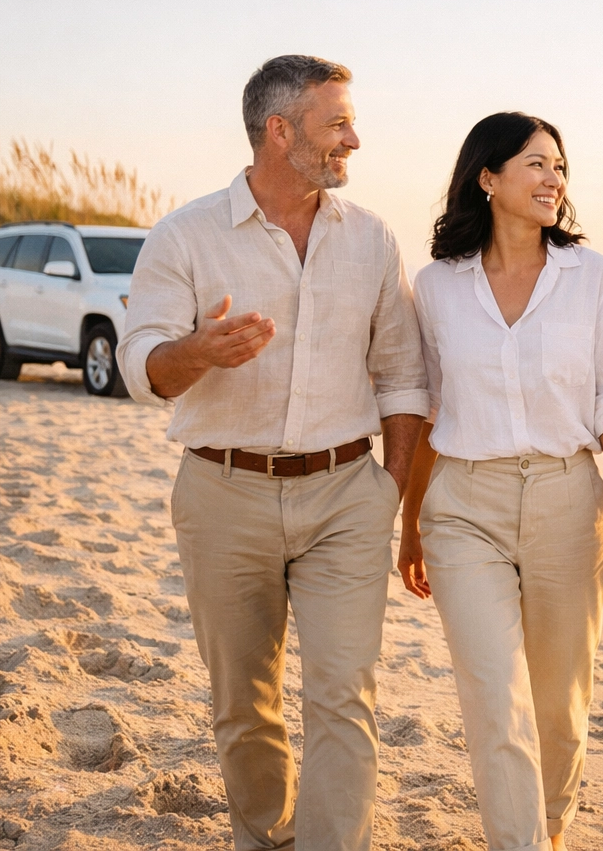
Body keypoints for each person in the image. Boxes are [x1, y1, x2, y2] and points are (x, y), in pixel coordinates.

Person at [119, 55, 428, 851]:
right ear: (279, 130)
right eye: (336, 124)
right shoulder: (185, 235)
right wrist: (198, 353)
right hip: (223, 494)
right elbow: (142, 366)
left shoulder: (371, 239)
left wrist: (387, 491)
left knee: (344, 694)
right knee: (243, 701)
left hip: (344, 496)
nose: (353, 139)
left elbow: (401, 375)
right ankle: (266, 838)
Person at [396, 111, 603, 851]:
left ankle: (552, 833)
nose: (553, 180)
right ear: (488, 176)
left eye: (559, 168)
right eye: (535, 164)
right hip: (463, 506)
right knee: (495, 702)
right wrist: (411, 524)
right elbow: (430, 410)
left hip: (570, 502)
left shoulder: (592, 278)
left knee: (559, 706)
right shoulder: (437, 287)